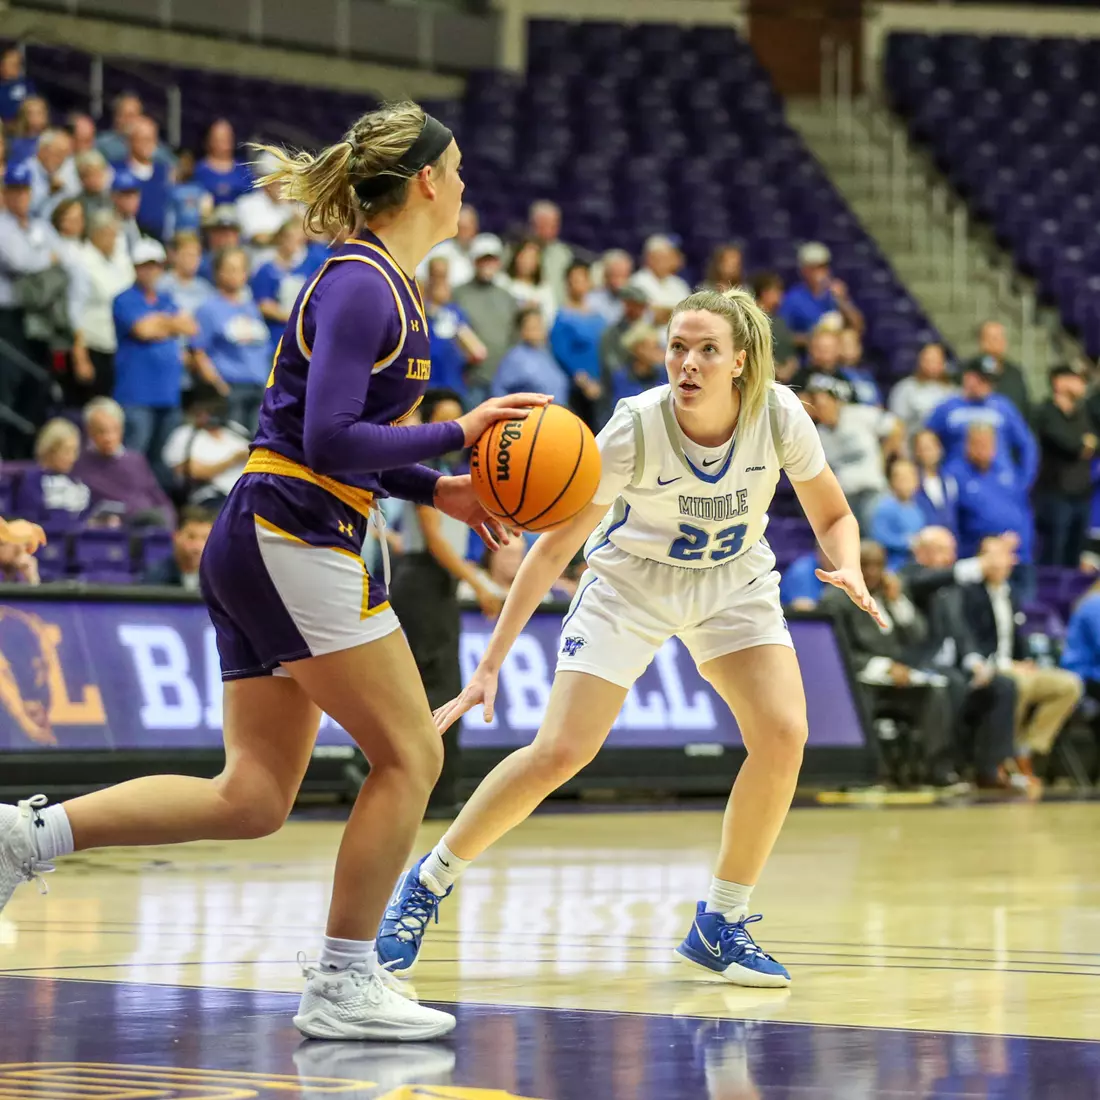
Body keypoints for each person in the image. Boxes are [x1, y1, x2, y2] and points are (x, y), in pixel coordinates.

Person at [0, 101, 551, 1043]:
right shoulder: (362, 285)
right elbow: (329, 435)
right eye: (455, 168)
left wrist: (439, 487)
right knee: (413, 753)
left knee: (252, 796)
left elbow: (339, 438)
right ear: (424, 180)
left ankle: (23, 837)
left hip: (275, 531)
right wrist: (461, 430)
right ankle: (344, 978)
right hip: (291, 532)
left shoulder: (387, 285)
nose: (464, 184)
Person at [377, 286, 885, 990]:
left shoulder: (779, 414)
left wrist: (849, 561)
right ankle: (426, 885)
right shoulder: (636, 428)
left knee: (784, 734)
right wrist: (489, 665)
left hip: (732, 581)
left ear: (740, 361)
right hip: (632, 586)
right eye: (678, 347)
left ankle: (720, 923)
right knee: (561, 751)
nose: (689, 363)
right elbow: (552, 551)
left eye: (708, 350)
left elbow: (832, 514)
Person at [388, 389, 502, 819]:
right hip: (420, 580)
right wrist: (480, 583)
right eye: (449, 420)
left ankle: (434, 787)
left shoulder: (458, 470)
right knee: (429, 687)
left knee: (442, 686)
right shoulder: (425, 472)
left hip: (436, 585)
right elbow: (435, 542)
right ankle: (421, 788)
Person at [821, 540, 956, 786]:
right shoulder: (836, 599)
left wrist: (897, 601)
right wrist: (883, 667)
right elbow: (838, 651)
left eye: (878, 565)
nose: (872, 572)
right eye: (865, 565)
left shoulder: (891, 594)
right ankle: (874, 772)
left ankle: (934, 769)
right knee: (862, 697)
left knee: (936, 695)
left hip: (899, 678)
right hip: (861, 681)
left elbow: (918, 635)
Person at [958, 536, 1082, 787]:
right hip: (990, 668)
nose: (1002, 562)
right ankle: (1002, 757)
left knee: (1069, 685)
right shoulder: (968, 594)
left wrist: (1024, 660)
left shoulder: (1012, 593)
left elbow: (1017, 638)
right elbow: (968, 641)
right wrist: (1004, 665)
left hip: (1017, 665)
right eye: (994, 556)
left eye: (1005, 557)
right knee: (1016, 686)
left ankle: (1027, 748)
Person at [112, 238, 194, 477]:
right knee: (133, 457)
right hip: (136, 394)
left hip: (168, 394)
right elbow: (143, 331)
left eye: (156, 265)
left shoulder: (166, 298)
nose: (151, 271)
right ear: (135, 267)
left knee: (164, 461)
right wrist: (170, 324)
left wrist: (158, 323)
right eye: (145, 265)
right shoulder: (124, 299)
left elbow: (190, 326)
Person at [945, 423, 1035, 598]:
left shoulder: (1007, 471)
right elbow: (952, 521)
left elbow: (1023, 512)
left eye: (987, 444)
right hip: (980, 558)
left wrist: (1019, 541)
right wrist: (987, 545)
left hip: (1018, 555)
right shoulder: (955, 474)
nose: (982, 449)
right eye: (977, 444)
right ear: (967, 445)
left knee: (1024, 612)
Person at [191, 245, 270, 432]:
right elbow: (198, 352)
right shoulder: (208, 309)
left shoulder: (251, 308)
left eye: (240, 269)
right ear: (218, 273)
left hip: (258, 387)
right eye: (230, 269)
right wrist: (219, 387)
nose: (236, 274)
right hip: (231, 388)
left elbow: (263, 349)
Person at [926, 362, 1037, 487]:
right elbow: (926, 440)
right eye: (981, 379)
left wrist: (1023, 481)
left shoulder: (1004, 407)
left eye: (990, 381)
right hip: (957, 479)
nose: (986, 385)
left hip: (998, 478)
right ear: (967, 377)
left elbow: (1027, 445)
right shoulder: (947, 408)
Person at [806, 383, 902, 528]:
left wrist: (884, 457)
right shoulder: (818, 434)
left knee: (871, 524)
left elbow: (896, 426)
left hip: (871, 488)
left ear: (836, 402)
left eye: (826, 404)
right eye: (818, 407)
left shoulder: (858, 414)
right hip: (844, 495)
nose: (823, 409)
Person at [71, 397, 174, 527]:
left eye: (114, 430)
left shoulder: (136, 460)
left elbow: (157, 496)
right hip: (110, 530)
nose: (109, 437)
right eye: (101, 431)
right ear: (89, 431)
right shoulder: (79, 464)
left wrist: (169, 520)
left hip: (147, 525)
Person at [1032, 364, 1096, 568]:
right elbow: (1068, 444)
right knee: (1054, 556)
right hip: (1054, 496)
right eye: (1076, 378)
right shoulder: (1045, 412)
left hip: (1081, 495)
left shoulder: (1082, 413)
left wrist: (1083, 443)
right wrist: (1082, 443)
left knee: (1074, 556)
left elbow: (1094, 441)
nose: (1082, 383)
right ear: (1059, 382)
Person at [161, 383, 250, 511]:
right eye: (202, 409)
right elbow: (192, 472)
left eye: (212, 408)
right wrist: (233, 460)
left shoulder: (235, 429)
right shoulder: (185, 434)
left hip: (249, 493)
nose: (207, 414)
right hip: (211, 497)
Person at [75, 209, 134, 401]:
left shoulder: (120, 259)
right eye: (111, 234)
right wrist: (80, 355)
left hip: (120, 345)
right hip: (94, 345)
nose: (115, 240)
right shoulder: (82, 261)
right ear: (97, 233)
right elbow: (75, 310)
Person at [452, 233, 515, 403]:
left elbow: (514, 336)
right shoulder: (458, 294)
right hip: (471, 378)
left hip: (503, 379)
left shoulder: (507, 297)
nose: (488, 264)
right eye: (483, 259)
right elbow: (452, 333)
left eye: (492, 259)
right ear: (474, 261)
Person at [250, 218, 323, 354]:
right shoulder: (267, 269)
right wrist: (295, 316)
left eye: (299, 239)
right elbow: (263, 304)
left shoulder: (313, 264)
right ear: (280, 238)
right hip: (279, 335)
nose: (294, 243)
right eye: (290, 237)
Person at [549, 260, 607, 426]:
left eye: (583, 279)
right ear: (567, 284)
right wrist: (584, 381)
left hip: (601, 382)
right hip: (578, 388)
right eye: (575, 280)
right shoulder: (563, 317)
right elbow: (561, 353)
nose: (580, 284)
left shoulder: (598, 316)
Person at [423, 256, 485, 399]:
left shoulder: (456, 313)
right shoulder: (419, 310)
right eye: (436, 275)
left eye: (444, 276)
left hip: (453, 384)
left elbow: (478, 352)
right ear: (429, 278)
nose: (440, 281)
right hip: (426, 386)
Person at [14, 418, 91, 531]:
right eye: (66, 451)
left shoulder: (79, 483)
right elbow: (30, 520)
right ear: (49, 451)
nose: (72, 458)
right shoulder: (31, 480)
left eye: (75, 451)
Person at [778, 242, 863, 344]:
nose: (819, 272)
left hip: (838, 354)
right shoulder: (793, 298)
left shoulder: (835, 293)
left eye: (822, 266)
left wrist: (842, 300)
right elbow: (783, 336)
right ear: (804, 270)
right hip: (810, 356)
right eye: (813, 268)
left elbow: (858, 327)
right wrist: (812, 338)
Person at [492, 307, 570, 408]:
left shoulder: (547, 353)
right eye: (532, 327)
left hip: (557, 414)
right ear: (522, 330)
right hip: (531, 418)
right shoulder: (514, 358)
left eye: (540, 325)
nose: (538, 330)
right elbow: (498, 392)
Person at [888, 343, 956, 441]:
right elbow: (896, 425)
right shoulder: (905, 389)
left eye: (935, 360)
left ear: (944, 363)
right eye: (927, 360)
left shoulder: (953, 392)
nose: (931, 365)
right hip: (913, 447)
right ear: (919, 361)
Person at [962, 321, 1030, 420]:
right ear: (982, 342)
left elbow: (1025, 408)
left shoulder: (1015, 373)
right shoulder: (969, 371)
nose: (1001, 342)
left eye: (1002, 337)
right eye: (994, 338)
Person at [869, 458, 925, 571]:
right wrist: (907, 542)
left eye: (910, 478)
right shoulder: (884, 508)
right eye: (902, 479)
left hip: (917, 565)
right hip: (894, 567)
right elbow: (880, 538)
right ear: (892, 481)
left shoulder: (917, 508)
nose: (907, 483)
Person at [142, 506, 214, 589]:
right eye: (191, 537)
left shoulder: (219, 577)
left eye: (205, 538)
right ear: (176, 537)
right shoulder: (155, 575)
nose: (197, 546)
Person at [628, 234, 691, 325]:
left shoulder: (678, 283)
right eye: (663, 258)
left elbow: (689, 312)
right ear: (649, 258)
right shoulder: (637, 282)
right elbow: (646, 315)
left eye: (669, 257)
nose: (669, 262)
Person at [192, 119, 254, 205]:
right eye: (220, 139)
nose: (225, 143)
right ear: (210, 140)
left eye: (228, 138)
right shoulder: (199, 171)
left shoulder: (244, 170)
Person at [750, 272, 796, 381]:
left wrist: (790, 367)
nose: (781, 296)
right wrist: (775, 369)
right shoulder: (752, 319)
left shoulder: (780, 320)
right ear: (765, 293)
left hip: (784, 378)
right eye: (777, 291)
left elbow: (790, 352)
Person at [502, 237, 556, 328]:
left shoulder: (544, 288)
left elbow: (550, 318)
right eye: (524, 256)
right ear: (516, 257)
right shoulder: (503, 282)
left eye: (532, 257)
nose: (527, 262)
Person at [912, 428, 958, 533]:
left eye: (931, 446)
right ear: (916, 452)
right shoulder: (913, 482)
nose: (928, 452)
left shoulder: (949, 481)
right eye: (923, 448)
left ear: (940, 449)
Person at [160, 231, 214, 318]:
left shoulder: (205, 288)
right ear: (174, 255)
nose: (193, 260)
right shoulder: (162, 284)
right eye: (188, 255)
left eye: (197, 255)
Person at [610, 321, 665, 405]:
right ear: (639, 349)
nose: (659, 351)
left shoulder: (664, 375)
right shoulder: (621, 377)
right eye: (655, 347)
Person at [586, 248, 634, 324]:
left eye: (623, 276)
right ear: (605, 276)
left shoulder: (635, 303)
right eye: (615, 276)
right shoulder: (591, 301)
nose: (619, 282)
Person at [0, 47, 35, 125]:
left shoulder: (27, 84)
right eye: (11, 63)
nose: (17, 67)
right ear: (1, 66)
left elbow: (33, 103)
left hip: (28, 124)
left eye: (18, 63)